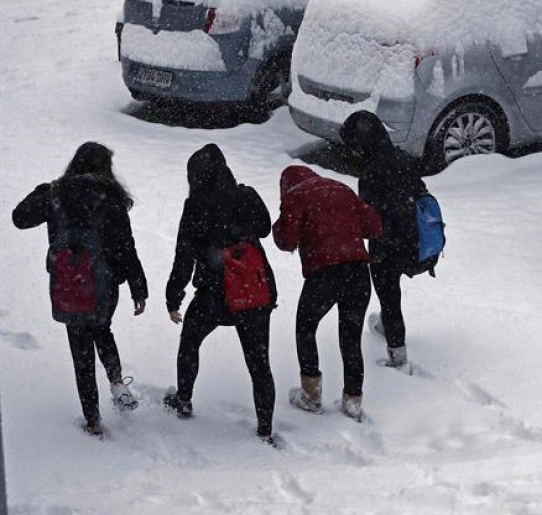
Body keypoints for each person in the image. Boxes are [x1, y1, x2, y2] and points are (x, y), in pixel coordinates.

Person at [12, 142, 148, 437]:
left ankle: (93, 420)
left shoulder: (55, 193)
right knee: (102, 329)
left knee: (80, 350)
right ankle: (116, 382)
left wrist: (42, 191)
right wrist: (138, 287)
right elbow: (126, 246)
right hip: (105, 284)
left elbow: (19, 218)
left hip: (68, 284)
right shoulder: (110, 197)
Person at [164, 144, 278, 443]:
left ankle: (184, 400)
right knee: (259, 363)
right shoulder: (245, 195)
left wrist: (174, 296)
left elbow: (183, 256)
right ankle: (265, 428)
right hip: (254, 291)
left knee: (190, 341)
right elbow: (265, 229)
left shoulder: (195, 206)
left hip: (214, 293)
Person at [273, 165, 382, 421]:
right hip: (357, 273)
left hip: (324, 274)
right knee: (350, 337)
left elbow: (285, 241)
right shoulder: (340, 188)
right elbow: (374, 226)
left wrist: (284, 221)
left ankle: (311, 395)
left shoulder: (295, 196)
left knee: (306, 328)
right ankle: (353, 400)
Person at [339, 111, 426, 373]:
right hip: (412, 240)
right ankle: (387, 326)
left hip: (385, 244)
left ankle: (398, 357)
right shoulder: (403, 159)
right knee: (392, 293)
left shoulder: (370, 172)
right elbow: (419, 193)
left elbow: (369, 214)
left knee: (389, 297)